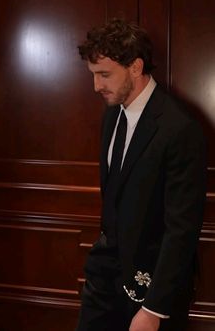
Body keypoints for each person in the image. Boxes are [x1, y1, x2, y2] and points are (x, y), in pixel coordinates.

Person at [76, 18, 206, 331]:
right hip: (102, 280)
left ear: (135, 67)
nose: (96, 86)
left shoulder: (180, 129)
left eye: (104, 75)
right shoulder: (111, 116)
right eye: (93, 75)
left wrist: (154, 309)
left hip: (150, 290)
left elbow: (182, 228)